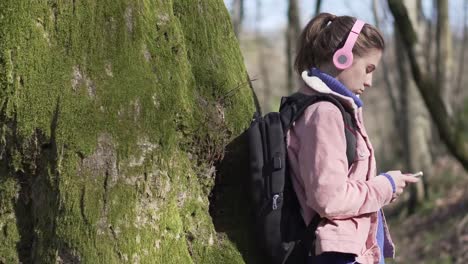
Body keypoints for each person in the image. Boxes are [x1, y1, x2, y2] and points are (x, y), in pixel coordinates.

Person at [286, 13, 420, 264]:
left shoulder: (335, 111)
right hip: (340, 257)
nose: (369, 82)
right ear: (343, 57)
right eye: (368, 69)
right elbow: (330, 198)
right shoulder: (324, 114)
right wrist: (385, 186)